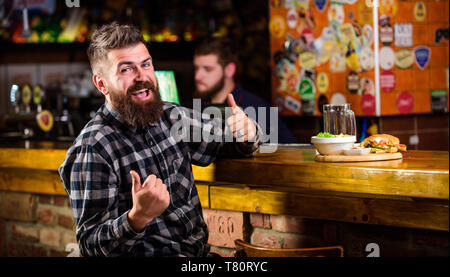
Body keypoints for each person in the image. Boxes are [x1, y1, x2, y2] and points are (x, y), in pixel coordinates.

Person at [58, 22, 260, 257]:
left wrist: (248, 131)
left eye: (145, 64)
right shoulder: (93, 148)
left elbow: (232, 142)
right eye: (126, 69)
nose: (141, 76)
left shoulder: (172, 117)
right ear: (101, 84)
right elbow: (90, 246)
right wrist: (137, 218)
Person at [193, 37, 297, 144]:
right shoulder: (198, 108)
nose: (198, 76)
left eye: (208, 69)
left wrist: (254, 136)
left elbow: (290, 152)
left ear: (229, 70)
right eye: (196, 68)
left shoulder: (258, 108)